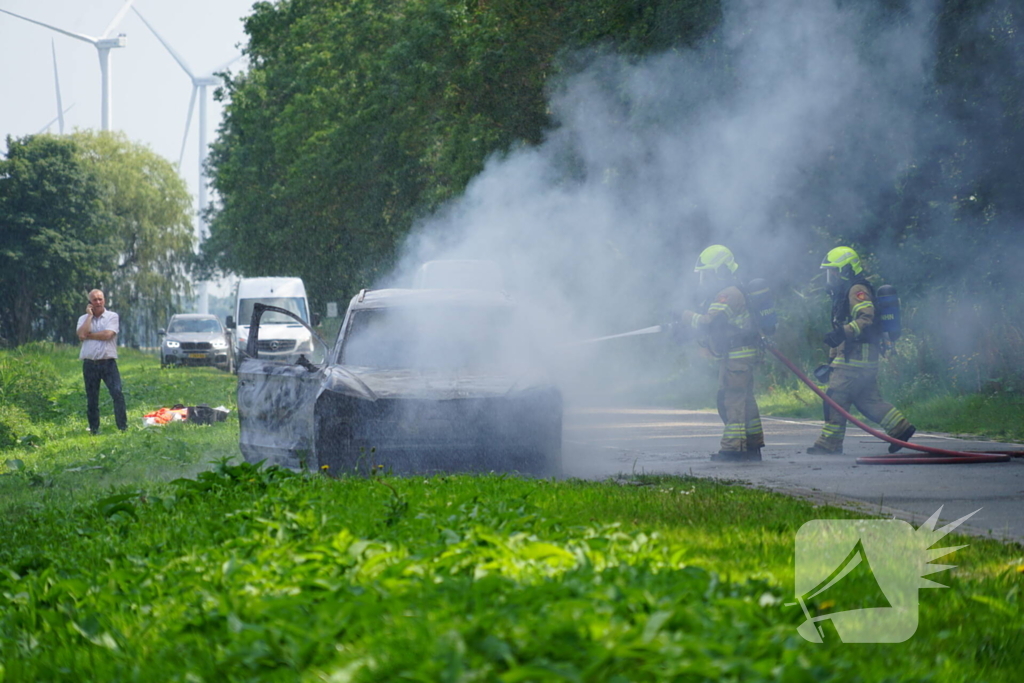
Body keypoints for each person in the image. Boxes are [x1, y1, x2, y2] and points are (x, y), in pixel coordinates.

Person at [807, 247, 915, 454]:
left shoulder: (857, 290)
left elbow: (866, 318)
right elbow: (841, 329)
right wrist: (832, 362)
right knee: (868, 399)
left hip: (856, 358)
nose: (831, 277)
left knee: (835, 397)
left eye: (834, 271)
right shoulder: (844, 292)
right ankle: (901, 429)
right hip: (857, 358)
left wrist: (843, 333)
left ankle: (829, 445)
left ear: (846, 270)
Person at [679, 245, 765, 462]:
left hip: (737, 357)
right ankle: (752, 446)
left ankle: (733, 449)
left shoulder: (728, 293)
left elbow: (710, 321)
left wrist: (684, 315)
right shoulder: (735, 290)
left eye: (708, 273)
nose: (705, 279)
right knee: (746, 400)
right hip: (741, 355)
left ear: (721, 270)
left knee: (731, 400)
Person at [76, 289, 127, 434]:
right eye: (94, 300)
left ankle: (122, 427)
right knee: (92, 398)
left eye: (100, 299)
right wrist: (89, 317)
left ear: (104, 300)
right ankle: (94, 428)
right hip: (90, 364)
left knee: (117, 393)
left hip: (108, 363)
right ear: (90, 303)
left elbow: (107, 335)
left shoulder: (112, 316)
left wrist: (88, 335)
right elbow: (81, 334)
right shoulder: (83, 319)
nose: (98, 302)